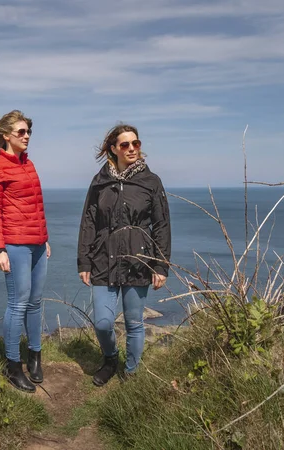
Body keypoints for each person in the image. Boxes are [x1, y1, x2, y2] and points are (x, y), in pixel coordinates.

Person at [77, 123, 171, 386]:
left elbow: (162, 225)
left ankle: (131, 374)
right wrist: (84, 261)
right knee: (103, 323)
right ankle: (110, 359)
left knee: (134, 322)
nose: (132, 149)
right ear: (113, 149)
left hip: (138, 260)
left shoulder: (151, 182)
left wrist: (161, 266)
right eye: (126, 144)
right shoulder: (100, 181)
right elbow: (89, 222)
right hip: (102, 259)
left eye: (136, 143)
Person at [0, 110, 50, 393]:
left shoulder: (29, 165)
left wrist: (44, 238)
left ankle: (35, 356)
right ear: (6, 135)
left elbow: (37, 205)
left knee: (35, 302)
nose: (26, 136)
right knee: (18, 303)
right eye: (21, 132)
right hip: (15, 245)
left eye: (28, 132)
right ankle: (13, 365)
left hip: (36, 243)